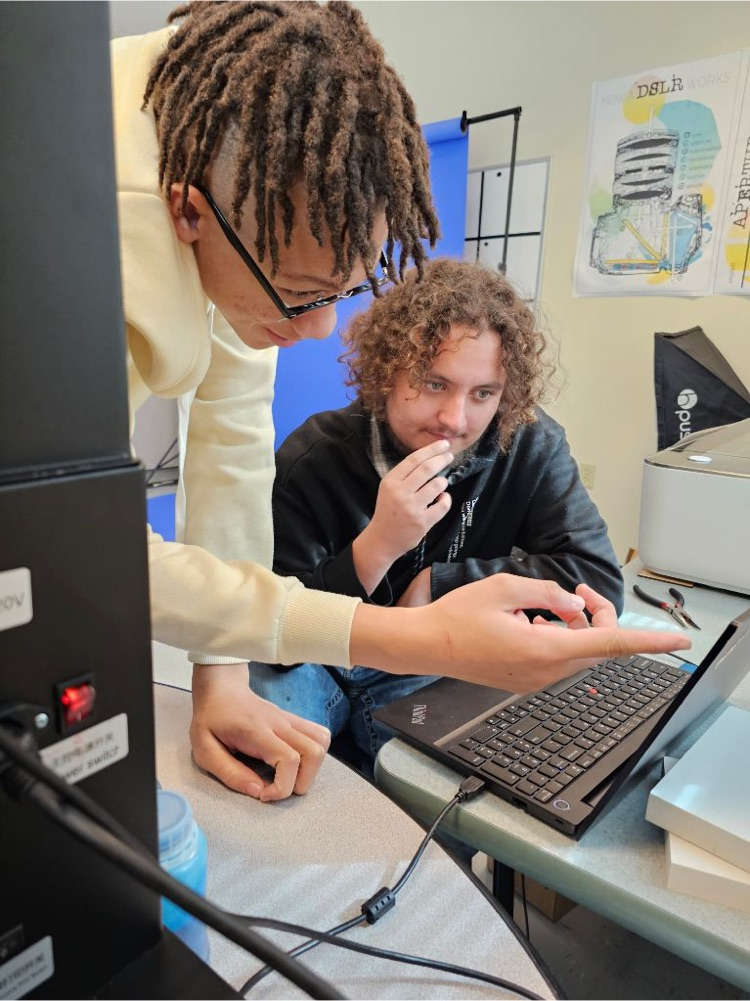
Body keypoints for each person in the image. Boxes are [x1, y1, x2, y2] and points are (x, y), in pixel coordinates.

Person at [113, 1, 689, 803]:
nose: (319, 329)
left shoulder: (529, 446)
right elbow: (93, 554)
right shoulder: (100, 259)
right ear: (186, 212)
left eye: (343, 292)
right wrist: (397, 597)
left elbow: (229, 452)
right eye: (299, 292)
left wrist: (219, 675)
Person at [251, 258, 625, 772]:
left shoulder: (531, 445)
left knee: (476, 784)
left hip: (439, 661)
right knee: (267, 756)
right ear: (387, 371)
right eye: (433, 384)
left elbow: (597, 580)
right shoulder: (312, 457)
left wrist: (440, 583)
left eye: (483, 394)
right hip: (324, 660)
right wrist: (378, 546)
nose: (455, 418)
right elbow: (274, 628)